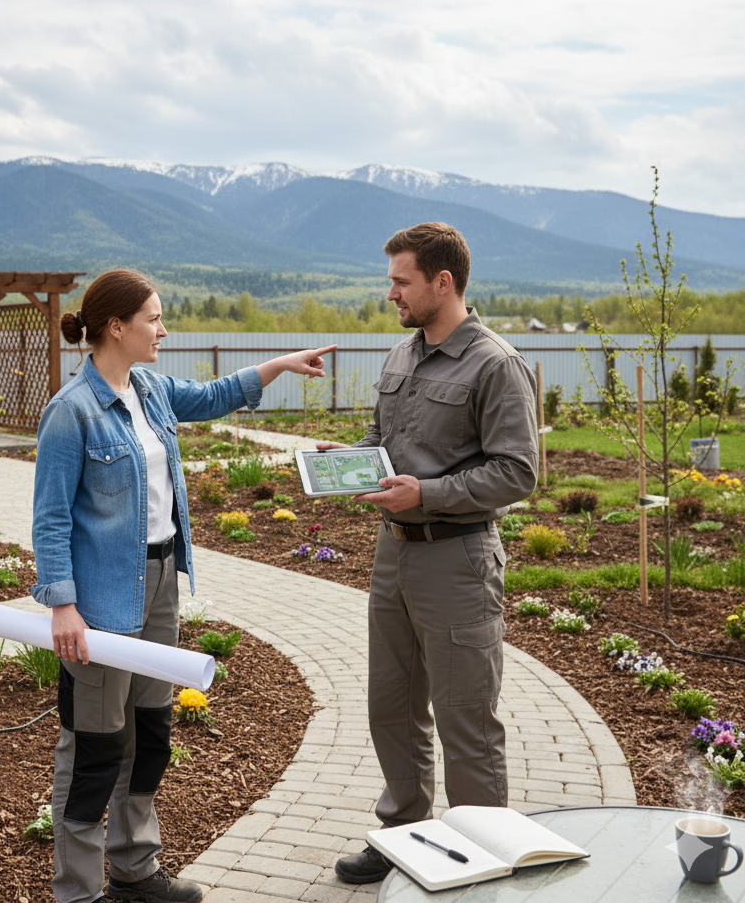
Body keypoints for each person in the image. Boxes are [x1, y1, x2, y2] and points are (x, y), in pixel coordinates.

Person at [31, 269, 335, 903]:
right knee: (93, 747)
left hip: (162, 579)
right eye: (155, 319)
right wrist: (63, 605)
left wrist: (279, 364)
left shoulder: (152, 388)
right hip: (101, 599)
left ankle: (135, 871)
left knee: (149, 734)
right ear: (117, 326)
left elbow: (216, 394)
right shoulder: (72, 411)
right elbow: (50, 517)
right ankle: (79, 892)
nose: (163, 330)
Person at [321, 223, 539, 885]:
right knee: (391, 704)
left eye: (400, 280)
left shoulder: (495, 365)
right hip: (394, 557)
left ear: (443, 282)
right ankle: (403, 836)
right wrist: (351, 464)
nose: (391, 293)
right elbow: (383, 438)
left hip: (459, 560)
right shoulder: (400, 356)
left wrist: (429, 492)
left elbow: (518, 473)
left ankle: (480, 856)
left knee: (465, 719)